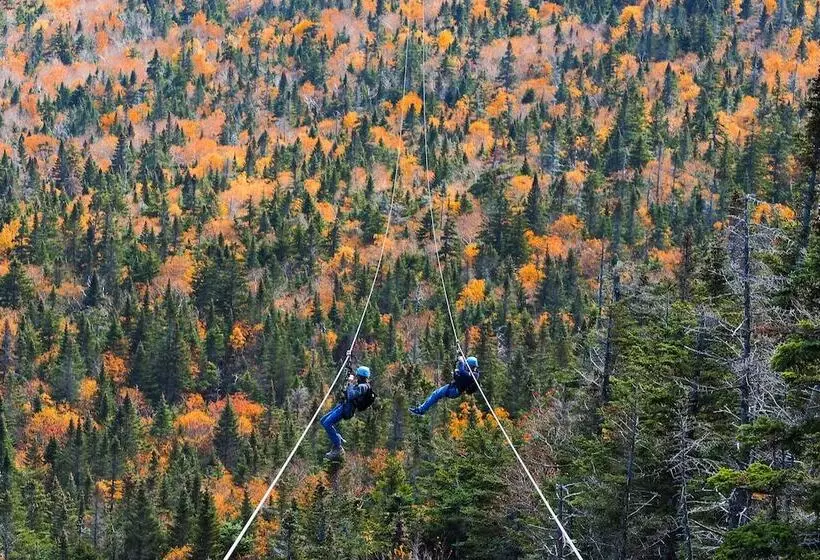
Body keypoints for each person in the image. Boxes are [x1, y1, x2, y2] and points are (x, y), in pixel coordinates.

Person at [320, 364, 374, 460]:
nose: (356, 377)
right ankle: (338, 438)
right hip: (343, 405)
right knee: (323, 420)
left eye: (357, 376)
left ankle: (338, 448)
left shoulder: (363, 387)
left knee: (327, 424)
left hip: (347, 409)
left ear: (360, 376)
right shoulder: (362, 385)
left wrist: (349, 382)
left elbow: (351, 395)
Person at [409, 356, 479, 416]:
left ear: (470, 366)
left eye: (467, 366)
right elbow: (459, 374)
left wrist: (461, 362)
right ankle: (422, 409)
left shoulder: (474, 375)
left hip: (454, 391)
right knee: (435, 394)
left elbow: (462, 372)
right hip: (453, 387)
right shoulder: (470, 373)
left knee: (436, 394)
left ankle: (421, 410)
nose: (466, 367)